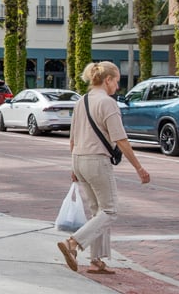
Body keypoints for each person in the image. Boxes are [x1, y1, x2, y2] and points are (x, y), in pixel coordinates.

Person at [57, 61, 150, 275]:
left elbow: (72, 138)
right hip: (97, 161)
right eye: (117, 81)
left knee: (97, 211)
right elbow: (121, 139)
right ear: (107, 80)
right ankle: (73, 243)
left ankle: (96, 261)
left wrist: (73, 165)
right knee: (109, 210)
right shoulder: (107, 103)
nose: (117, 87)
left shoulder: (82, 101)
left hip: (79, 159)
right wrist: (139, 168)